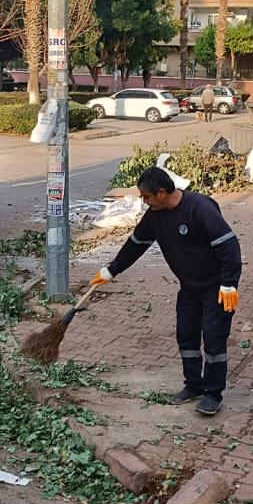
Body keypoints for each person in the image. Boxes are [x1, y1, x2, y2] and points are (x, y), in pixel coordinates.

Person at [91, 167, 242, 415]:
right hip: (189, 287)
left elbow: (229, 247)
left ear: (162, 193)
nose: (144, 201)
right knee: (186, 336)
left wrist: (229, 283)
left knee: (214, 339)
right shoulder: (155, 216)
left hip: (216, 288)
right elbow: (135, 244)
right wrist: (112, 270)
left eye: (146, 196)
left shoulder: (199, 209)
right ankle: (193, 385)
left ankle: (213, 394)